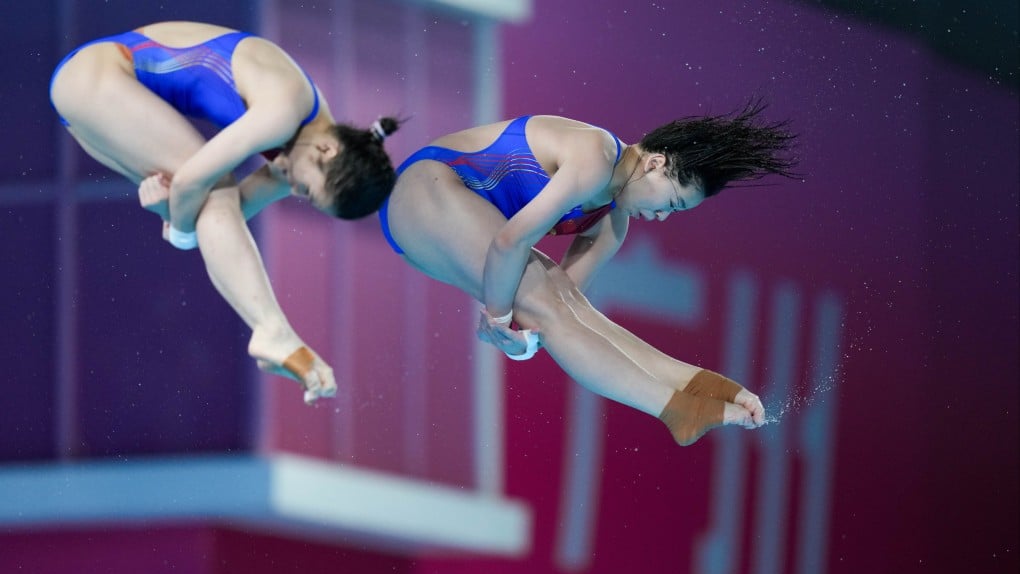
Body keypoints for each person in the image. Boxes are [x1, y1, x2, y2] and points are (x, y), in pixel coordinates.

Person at [380, 101, 797, 445]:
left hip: (435, 228)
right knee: (546, 301)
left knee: (567, 305)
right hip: (424, 190)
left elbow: (559, 321)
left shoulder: (612, 225)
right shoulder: (594, 155)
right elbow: (510, 243)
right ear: (654, 162)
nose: (661, 218)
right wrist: (498, 318)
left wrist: (514, 335)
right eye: (671, 204)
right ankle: (675, 408)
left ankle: (695, 384)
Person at [49, 21, 401, 404]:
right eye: (309, 191)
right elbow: (194, 189)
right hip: (97, 74)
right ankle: (272, 330)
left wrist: (176, 215)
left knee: (216, 194)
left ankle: (273, 331)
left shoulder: (301, 152)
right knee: (215, 186)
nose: (296, 192)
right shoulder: (285, 109)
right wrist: (179, 224)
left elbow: (221, 219)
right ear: (328, 152)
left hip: (87, 100)